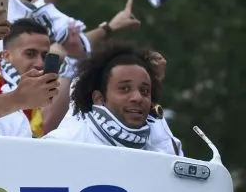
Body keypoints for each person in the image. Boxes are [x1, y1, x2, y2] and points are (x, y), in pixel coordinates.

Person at [44, 41, 182, 154]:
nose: (137, 97)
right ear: (99, 98)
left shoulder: (162, 146)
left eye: (145, 91)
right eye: (125, 89)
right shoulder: (62, 144)